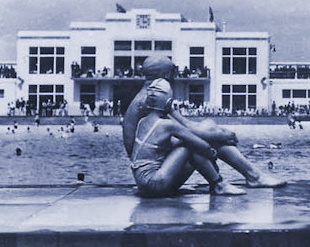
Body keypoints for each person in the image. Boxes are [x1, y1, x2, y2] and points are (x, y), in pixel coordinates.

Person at [122, 56, 284, 190]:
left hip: (153, 165)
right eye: (172, 72)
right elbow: (187, 133)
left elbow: (183, 125)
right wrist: (221, 136)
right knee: (202, 141)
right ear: (165, 74)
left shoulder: (150, 94)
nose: (175, 76)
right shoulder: (153, 100)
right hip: (157, 168)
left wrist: (215, 131)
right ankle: (248, 176)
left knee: (209, 127)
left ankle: (250, 175)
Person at [129, 79, 236, 197]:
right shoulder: (168, 125)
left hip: (143, 185)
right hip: (154, 184)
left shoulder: (142, 122)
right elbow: (200, 144)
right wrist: (212, 154)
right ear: (169, 103)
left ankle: (215, 183)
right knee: (190, 146)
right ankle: (218, 184)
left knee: (185, 146)